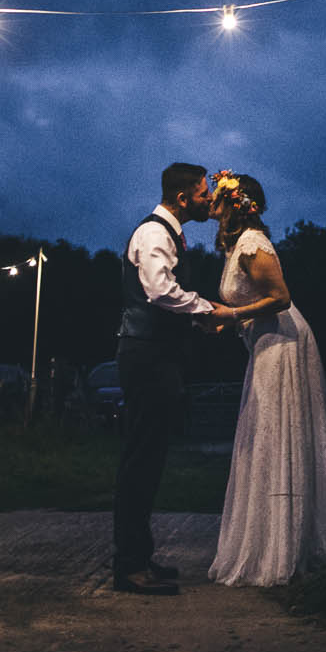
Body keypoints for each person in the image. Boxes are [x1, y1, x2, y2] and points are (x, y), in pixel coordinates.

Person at [206, 171, 326, 586]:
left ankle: (284, 549)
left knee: (274, 433)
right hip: (264, 344)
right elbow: (253, 301)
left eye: (219, 195)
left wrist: (231, 315)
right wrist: (225, 320)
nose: (212, 202)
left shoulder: (253, 243)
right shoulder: (238, 246)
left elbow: (281, 298)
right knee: (265, 434)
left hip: (284, 343)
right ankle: (272, 541)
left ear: (236, 202)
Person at [113, 161, 235, 595]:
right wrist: (208, 310)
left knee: (150, 458)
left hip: (158, 354)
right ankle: (129, 568)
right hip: (146, 356)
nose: (209, 200)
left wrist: (200, 323)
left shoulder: (168, 234)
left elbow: (166, 300)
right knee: (140, 460)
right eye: (204, 194)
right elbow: (160, 292)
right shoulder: (152, 234)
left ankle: (139, 557)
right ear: (183, 198)